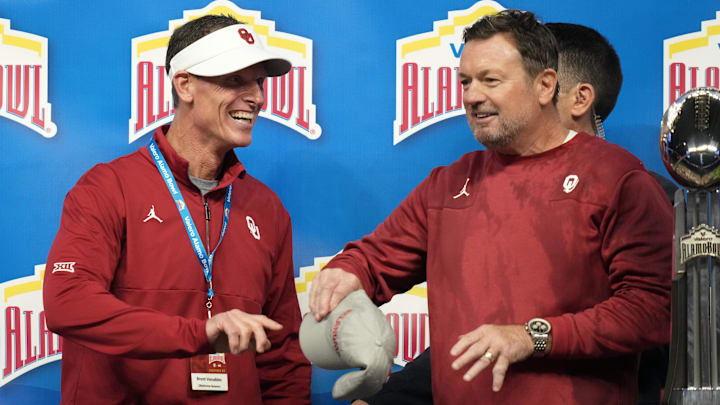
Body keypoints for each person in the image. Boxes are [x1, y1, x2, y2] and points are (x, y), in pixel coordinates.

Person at [310, 9, 672, 405]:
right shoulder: (447, 185)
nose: (471, 96)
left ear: (544, 85)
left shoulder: (618, 178)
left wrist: (531, 337)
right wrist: (347, 272)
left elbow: (652, 309)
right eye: (465, 81)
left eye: (490, 80)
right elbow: (375, 259)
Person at [43, 14, 310, 404]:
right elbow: (68, 303)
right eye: (235, 79)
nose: (256, 97)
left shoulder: (266, 208)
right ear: (184, 85)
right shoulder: (107, 188)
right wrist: (198, 334)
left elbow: (282, 353)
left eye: (258, 82)